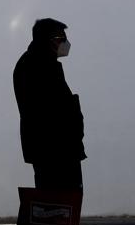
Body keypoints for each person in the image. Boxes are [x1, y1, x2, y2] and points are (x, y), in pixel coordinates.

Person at [13, 18, 85, 191]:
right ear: (50, 40)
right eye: (62, 39)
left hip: (50, 148)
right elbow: (57, 110)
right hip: (55, 149)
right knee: (60, 202)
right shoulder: (41, 65)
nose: (66, 44)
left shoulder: (33, 62)